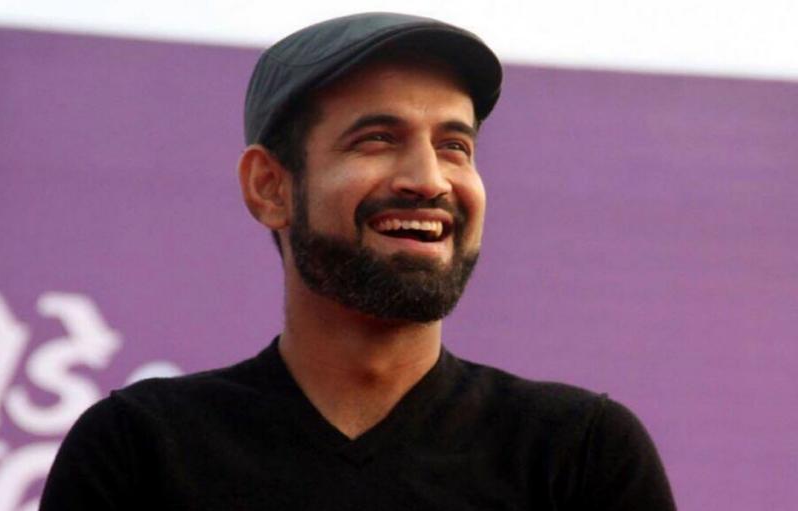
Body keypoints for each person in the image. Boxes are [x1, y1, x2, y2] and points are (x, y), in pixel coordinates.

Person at [40, 13, 676, 510]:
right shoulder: (140, 450)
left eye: (455, 146)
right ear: (269, 187)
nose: (429, 180)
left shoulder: (579, 454)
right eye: (377, 139)